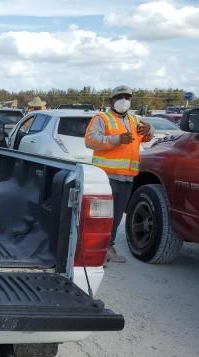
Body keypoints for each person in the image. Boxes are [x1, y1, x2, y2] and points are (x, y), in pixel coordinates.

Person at [85, 85, 153, 263]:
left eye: (127, 97)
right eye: (120, 97)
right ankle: (94, 250)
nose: (124, 101)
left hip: (127, 177)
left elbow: (146, 138)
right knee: (101, 215)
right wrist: (116, 139)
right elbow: (90, 141)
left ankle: (107, 247)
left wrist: (150, 131)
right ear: (111, 101)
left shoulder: (134, 120)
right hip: (106, 176)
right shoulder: (102, 118)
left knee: (115, 217)